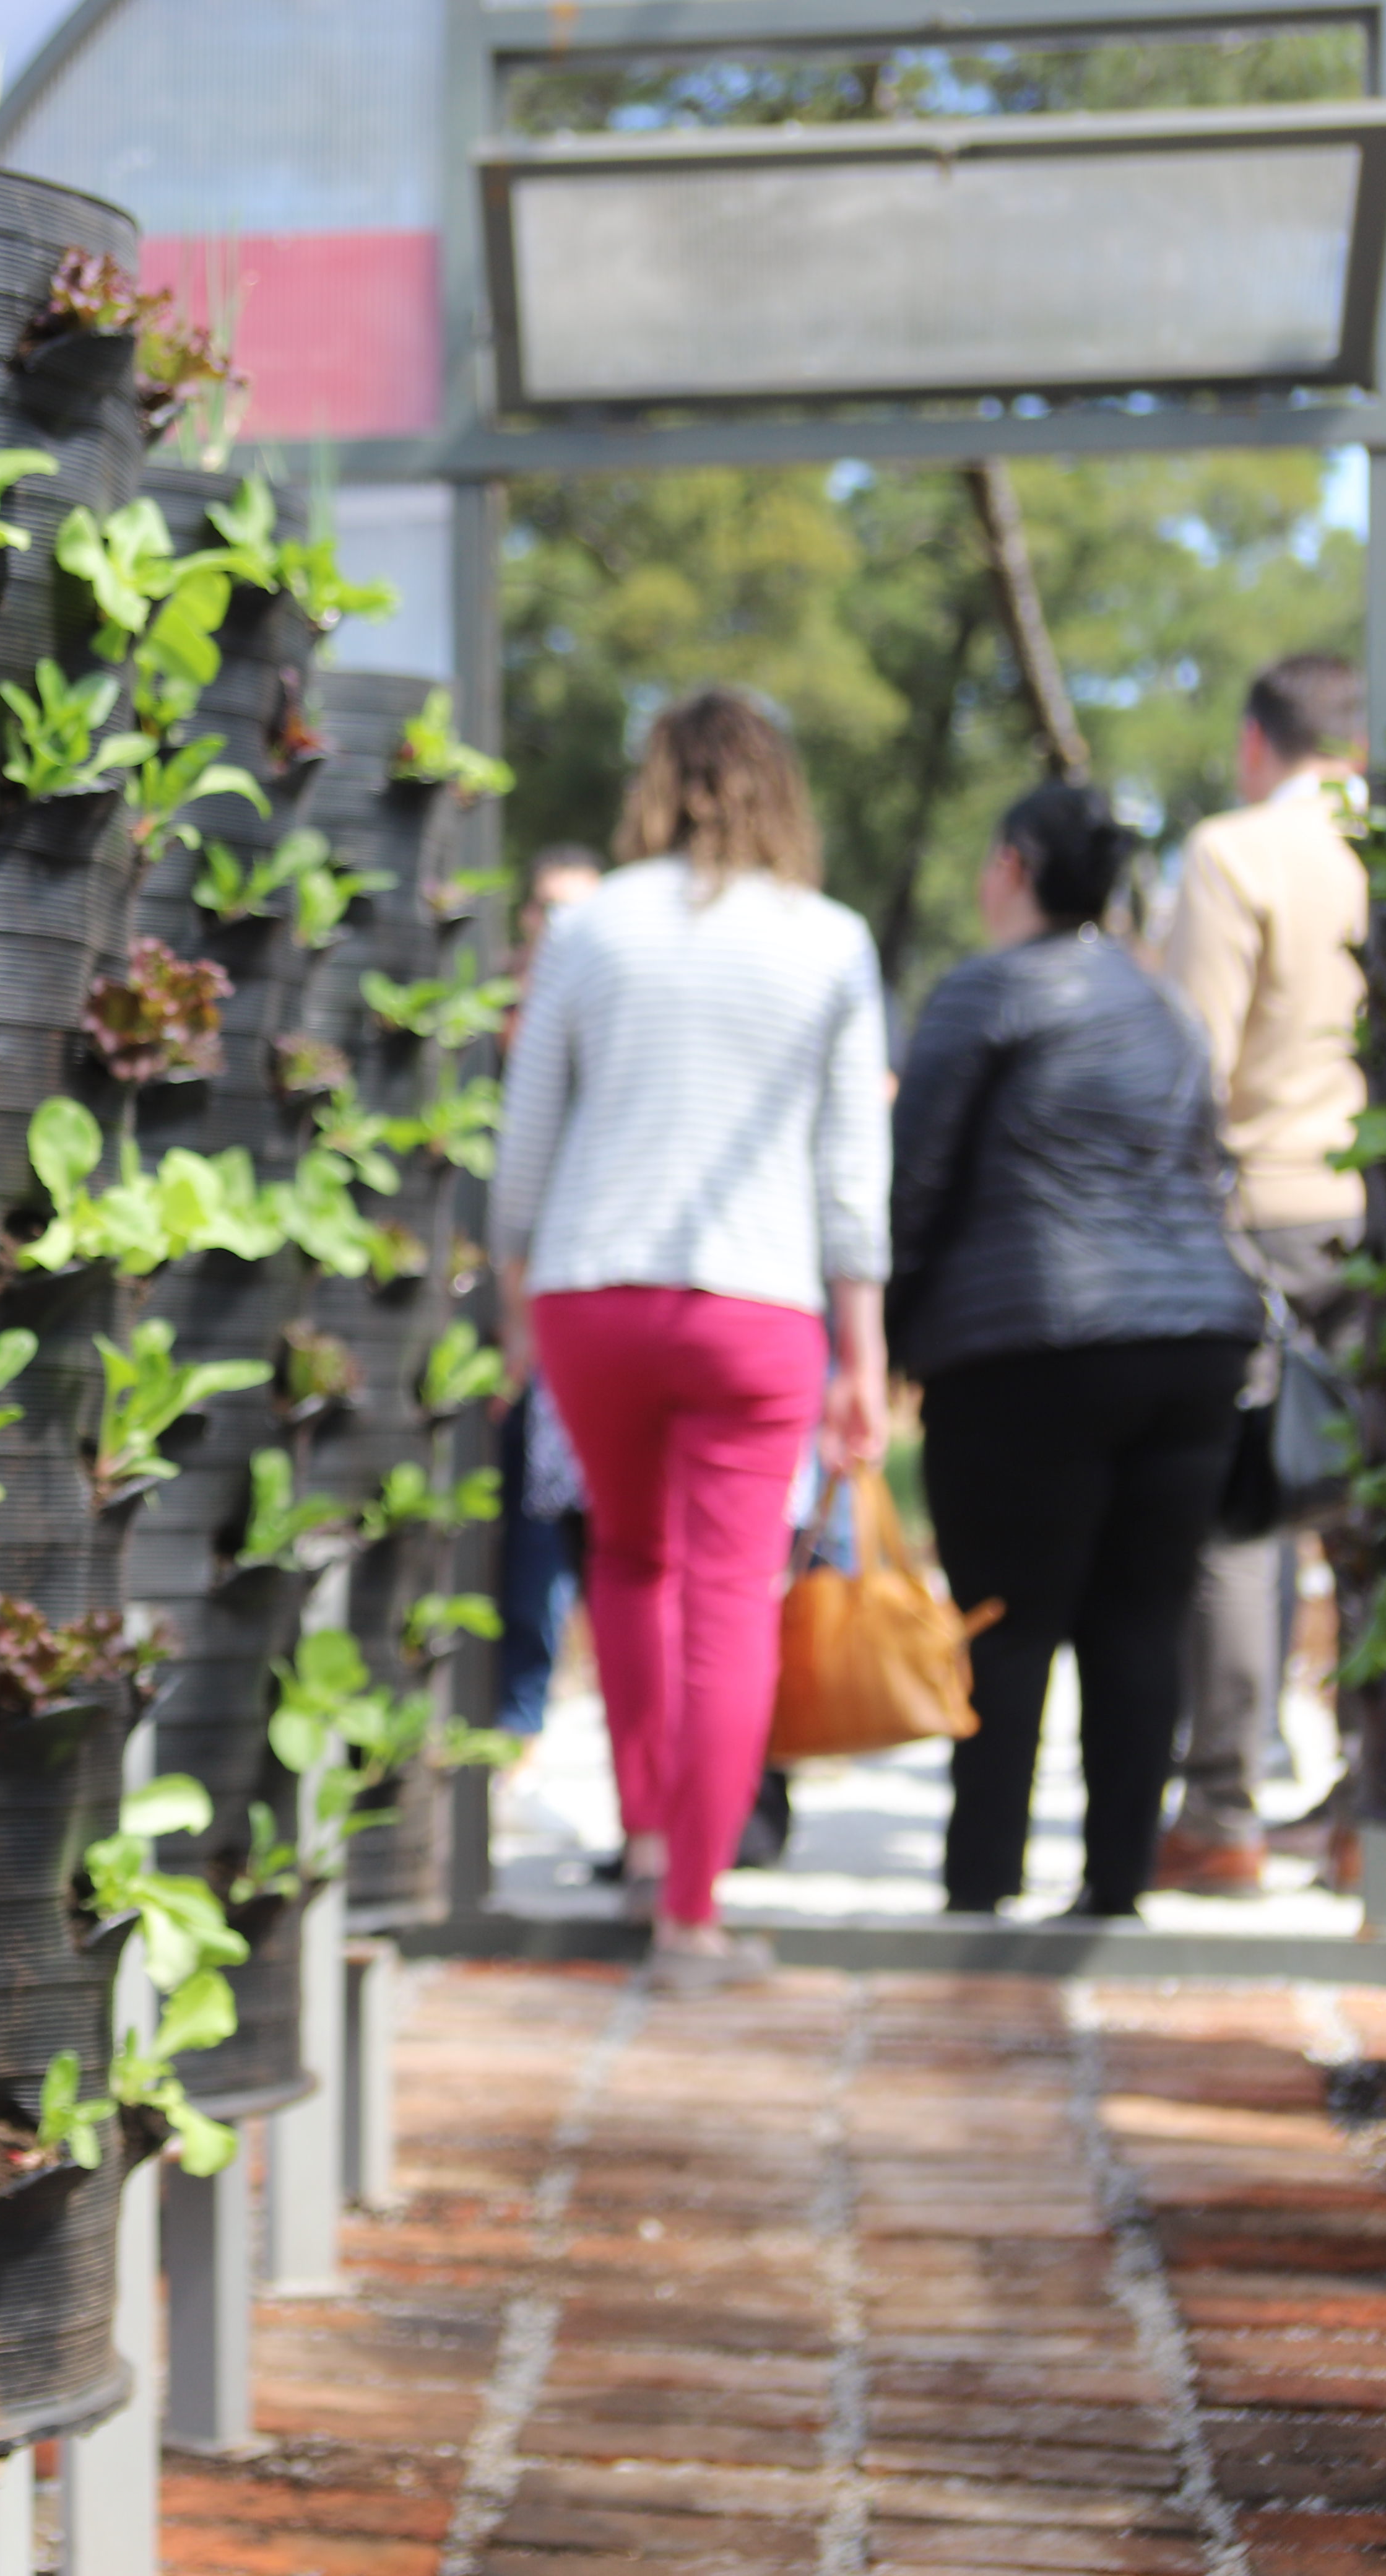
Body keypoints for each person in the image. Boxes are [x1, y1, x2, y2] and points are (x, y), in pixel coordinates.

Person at [492, 692, 891, 1991]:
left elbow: (527, 1138)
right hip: (757, 1304)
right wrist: (866, 1356)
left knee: (627, 1556)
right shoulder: (830, 941)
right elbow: (851, 1171)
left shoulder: (592, 925)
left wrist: (512, 1300)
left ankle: (648, 1833)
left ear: (656, 779)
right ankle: (692, 1915)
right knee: (732, 1593)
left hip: (592, 1293)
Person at [891, 784, 1266, 1916]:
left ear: (1011, 865)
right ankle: (1115, 1888)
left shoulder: (985, 992)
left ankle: (980, 1891)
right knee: (1137, 1621)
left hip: (1029, 1343)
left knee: (1005, 1624)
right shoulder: (1165, 1010)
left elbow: (915, 1181)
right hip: (1194, 1344)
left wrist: (892, 1335)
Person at [1156, 653, 1368, 1894]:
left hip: (1264, 1216)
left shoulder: (1237, 851)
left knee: (1243, 1511)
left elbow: (1195, 1062)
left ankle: (1223, 1809)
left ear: (1256, 743)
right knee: (1373, 1518)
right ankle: (1368, 1806)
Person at [491, 847, 604, 1757]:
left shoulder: (609, 1015)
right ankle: (513, 1731)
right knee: (521, 1547)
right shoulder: (494, 1016)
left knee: (587, 1547)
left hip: (579, 1312)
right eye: (545, 908)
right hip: (515, 1320)